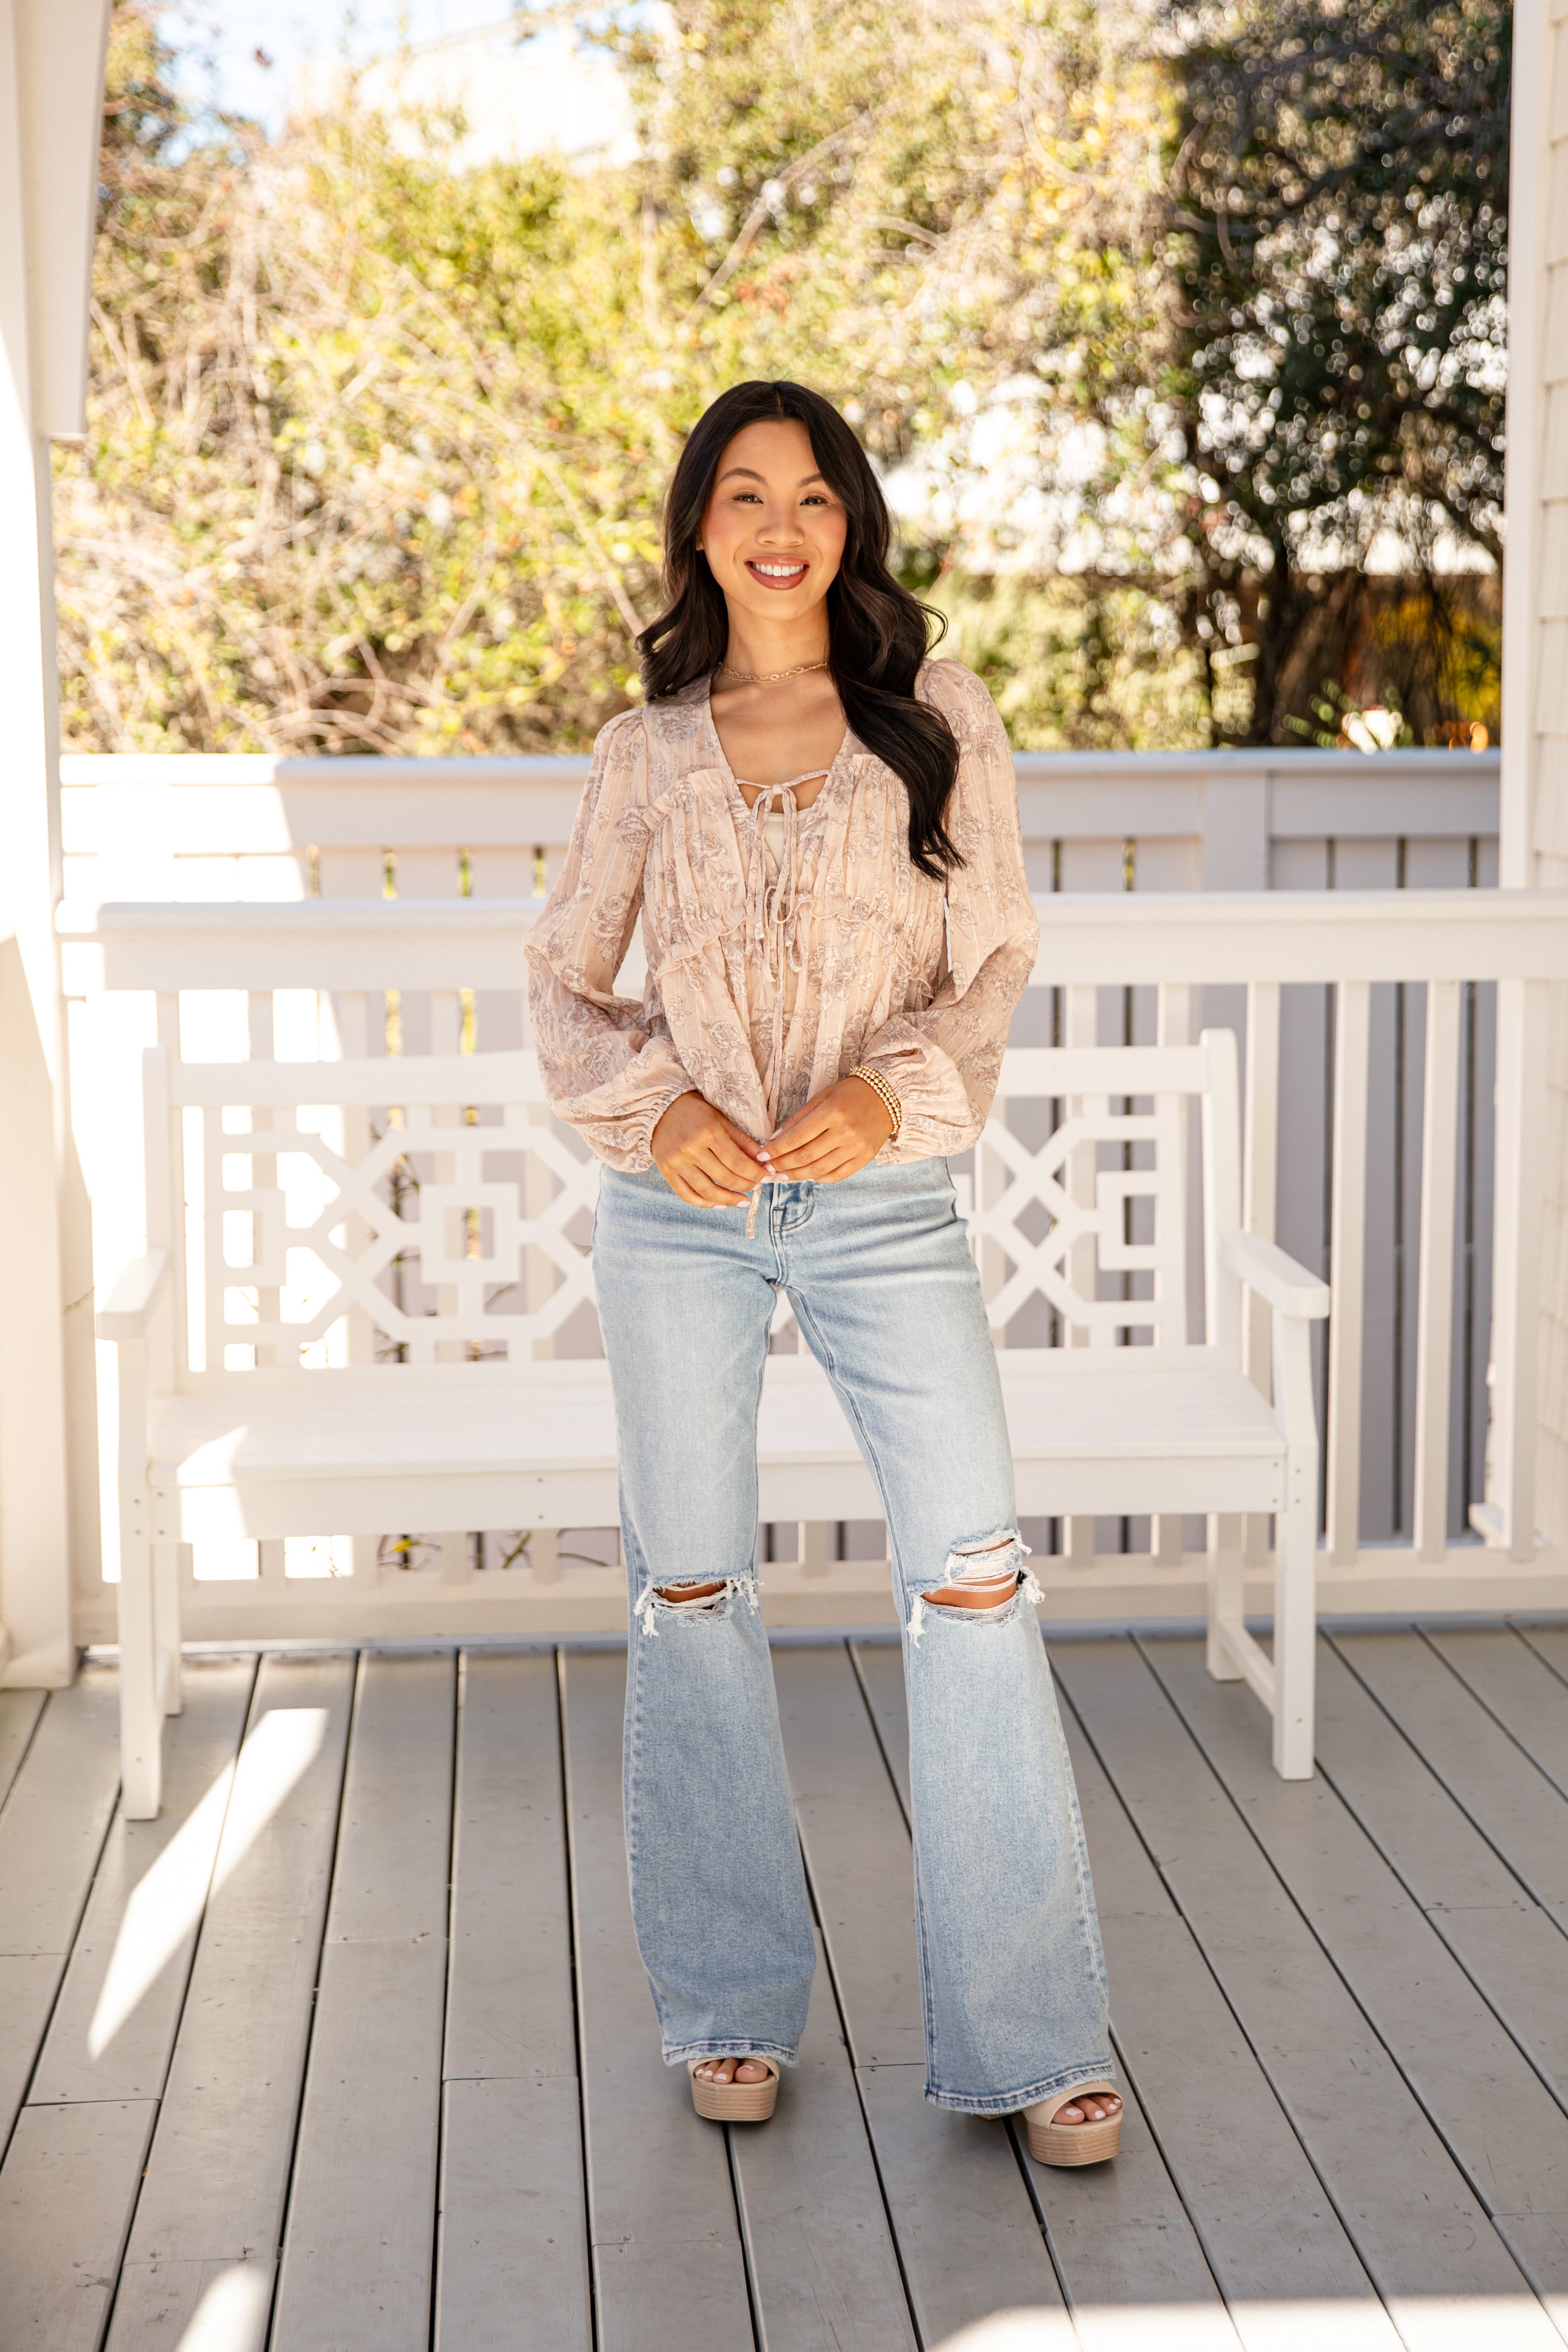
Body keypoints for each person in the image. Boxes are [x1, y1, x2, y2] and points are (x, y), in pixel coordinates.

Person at [525, 378, 1122, 2165]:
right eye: (738, 494)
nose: (776, 524)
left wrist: (890, 1089)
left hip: (882, 1205)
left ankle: (1033, 2040)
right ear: (698, 530)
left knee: (971, 1581)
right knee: (690, 1591)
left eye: (807, 494)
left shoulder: (936, 718)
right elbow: (566, 981)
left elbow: (994, 956)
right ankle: (724, 2009)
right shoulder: (645, 753)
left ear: (846, 522)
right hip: (681, 1206)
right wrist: (657, 1106)